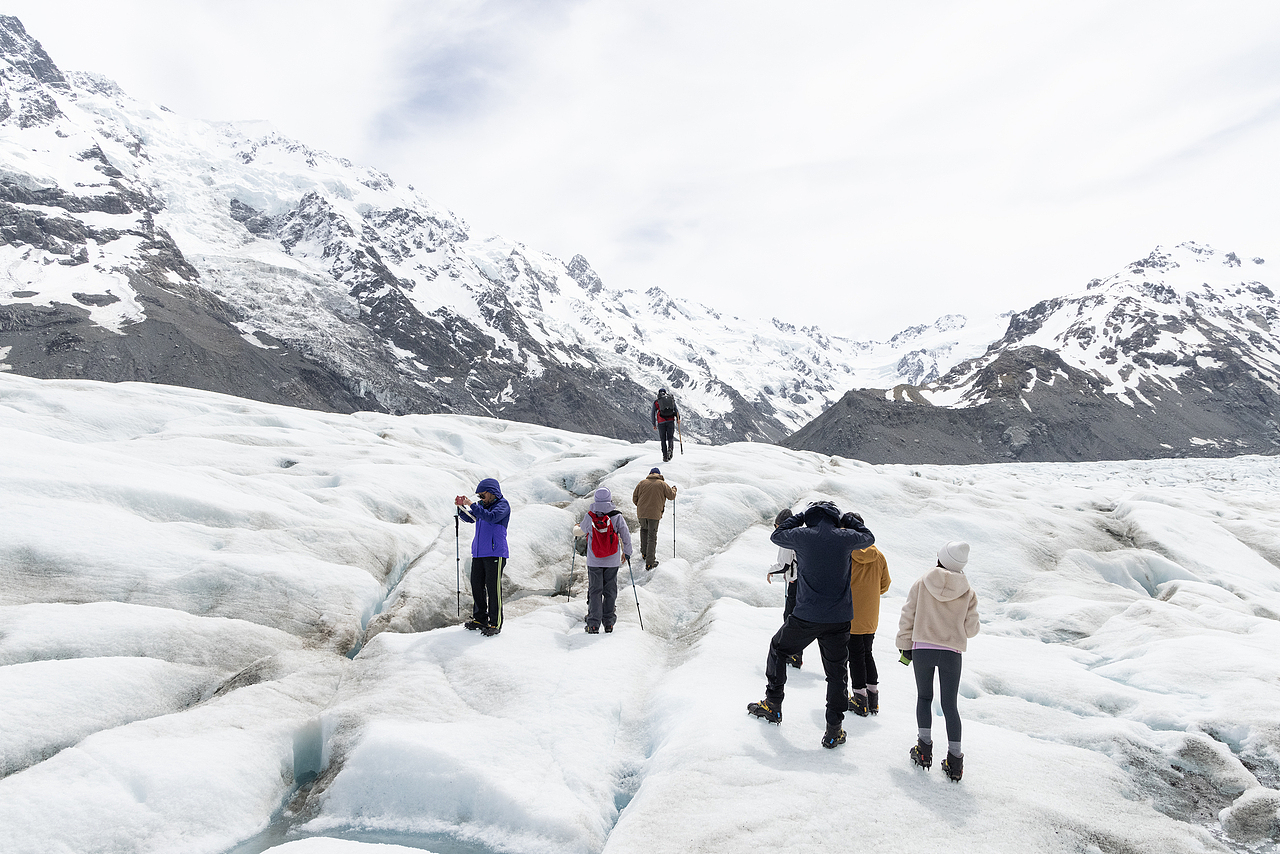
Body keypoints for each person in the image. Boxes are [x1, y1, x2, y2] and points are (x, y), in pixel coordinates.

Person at [747, 501, 875, 749]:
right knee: (836, 674)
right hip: (838, 618)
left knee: (778, 648)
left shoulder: (803, 535)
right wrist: (849, 520)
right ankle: (833, 730)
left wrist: (800, 516)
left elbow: (777, 534)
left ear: (812, 516)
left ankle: (773, 704)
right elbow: (868, 537)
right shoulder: (845, 537)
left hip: (806, 615)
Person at [897, 541, 980, 782]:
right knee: (950, 705)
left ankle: (923, 751)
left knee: (924, 698)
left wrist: (904, 644)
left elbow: (908, 615)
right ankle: (955, 762)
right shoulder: (968, 592)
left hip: (922, 648)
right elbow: (971, 629)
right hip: (951, 653)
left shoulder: (923, 582)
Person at [842, 512, 891, 717]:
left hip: (850, 613)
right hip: (871, 615)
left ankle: (860, 698)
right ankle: (873, 698)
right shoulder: (878, 555)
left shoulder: (844, 553)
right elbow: (885, 585)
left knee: (854, 656)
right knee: (867, 653)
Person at [454, 478, 510, 637]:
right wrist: (461, 508)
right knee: (477, 585)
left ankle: (495, 622)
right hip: (479, 553)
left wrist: (472, 504)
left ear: (492, 492)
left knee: (493, 589)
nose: (480, 498)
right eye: (478, 496)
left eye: (482, 495)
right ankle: (480, 619)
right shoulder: (481, 507)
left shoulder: (502, 505)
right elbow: (470, 518)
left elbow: (491, 517)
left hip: (495, 553)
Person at [578, 487, 633, 634]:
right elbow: (625, 535)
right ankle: (609, 623)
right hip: (612, 561)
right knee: (610, 590)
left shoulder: (590, 516)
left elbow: (582, 530)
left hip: (594, 561)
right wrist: (627, 552)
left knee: (595, 591)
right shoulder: (616, 516)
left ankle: (593, 624)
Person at [765, 508, 802, 669]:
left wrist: (770, 570)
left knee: (790, 617)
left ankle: (793, 655)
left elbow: (784, 564)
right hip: (804, 582)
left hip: (794, 583)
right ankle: (795, 654)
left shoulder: (787, 538)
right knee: (797, 618)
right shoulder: (801, 535)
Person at [632, 467, 677, 570]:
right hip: (654, 515)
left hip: (641, 513)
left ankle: (644, 554)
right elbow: (671, 496)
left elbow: (634, 498)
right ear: (659, 475)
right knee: (652, 536)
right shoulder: (662, 484)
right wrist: (674, 489)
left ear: (650, 473)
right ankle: (650, 563)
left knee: (644, 531)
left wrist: (641, 507)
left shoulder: (642, 483)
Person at [652, 388, 680, 462]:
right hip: (670, 421)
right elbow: (676, 410)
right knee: (670, 437)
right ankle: (670, 448)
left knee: (663, 439)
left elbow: (653, 413)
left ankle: (665, 456)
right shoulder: (670, 400)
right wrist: (678, 419)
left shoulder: (657, 402)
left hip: (661, 422)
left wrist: (654, 424)